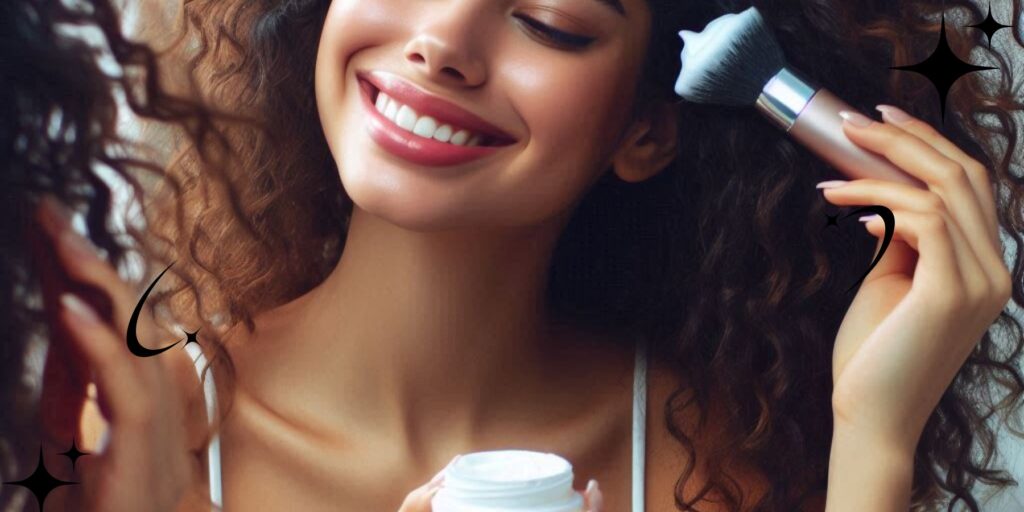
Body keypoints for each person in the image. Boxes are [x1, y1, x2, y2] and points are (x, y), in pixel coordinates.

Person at [21, 0, 1024, 511]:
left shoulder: (704, 458)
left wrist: (874, 435)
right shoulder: (152, 432)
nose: (443, 40)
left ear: (645, 130)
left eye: (548, 21)